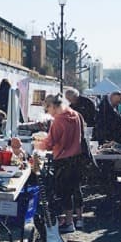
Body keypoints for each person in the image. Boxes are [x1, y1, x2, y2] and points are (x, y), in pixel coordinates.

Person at [38, 94, 84, 232]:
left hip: (63, 159)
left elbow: (50, 142)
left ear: (52, 106)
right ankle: (80, 219)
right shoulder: (76, 115)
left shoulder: (58, 121)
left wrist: (36, 146)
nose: (48, 113)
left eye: (48, 109)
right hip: (78, 157)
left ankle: (69, 224)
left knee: (65, 192)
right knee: (77, 189)